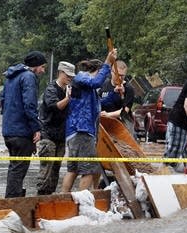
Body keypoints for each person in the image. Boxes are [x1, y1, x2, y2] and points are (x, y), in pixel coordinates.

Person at [61, 49, 117, 193]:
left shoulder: (87, 88)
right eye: (102, 74)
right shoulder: (81, 77)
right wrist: (108, 62)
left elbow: (99, 103)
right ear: (97, 70)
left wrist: (114, 93)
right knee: (89, 170)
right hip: (82, 130)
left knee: (73, 169)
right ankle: (82, 204)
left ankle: (64, 198)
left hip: (79, 131)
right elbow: (97, 82)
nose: (103, 79)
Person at [1, 50, 47, 198]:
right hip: (21, 132)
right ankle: (13, 203)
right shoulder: (29, 77)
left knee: (14, 167)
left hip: (9, 130)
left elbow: (2, 101)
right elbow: (30, 105)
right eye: (42, 66)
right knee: (19, 169)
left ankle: (12, 199)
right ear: (35, 66)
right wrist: (36, 128)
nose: (43, 70)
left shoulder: (11, 77)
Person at [36, 61, 75, 195]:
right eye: (68, 75)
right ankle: (41, 197)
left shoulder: (67, 89)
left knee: (56, 170)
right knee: (47, 169)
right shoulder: (51, 89)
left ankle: (50, 197)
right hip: (48, 135)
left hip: (61, 135)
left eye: (71, 76)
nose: (70, 78)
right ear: (60, 73)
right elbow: (56, 106)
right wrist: (69, 98)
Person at [99, 60, 135, 135]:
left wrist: (108, 115)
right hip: (104, 123)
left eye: (122, 76)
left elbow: (125, 111)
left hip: (122, 124)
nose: (119, 78)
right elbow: (97, 103)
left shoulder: (129, 88)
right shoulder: (103, 85)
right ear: (112, 72)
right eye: (117, 75)